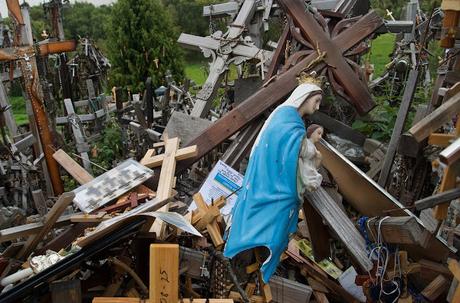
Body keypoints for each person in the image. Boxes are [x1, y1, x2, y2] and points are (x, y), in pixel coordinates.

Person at [223, 75, 324, 283]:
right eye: (316, 101)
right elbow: (285, 142)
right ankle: (249, 267)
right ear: (304, 97)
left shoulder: (293, 119)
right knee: (278, 218)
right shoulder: (286, 116)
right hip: (271, 182)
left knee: (280, 221)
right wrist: (308, 148)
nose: (317, 107)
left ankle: (256, 270)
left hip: (278, 179)